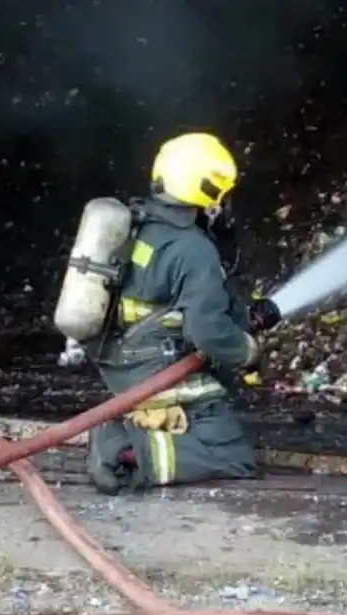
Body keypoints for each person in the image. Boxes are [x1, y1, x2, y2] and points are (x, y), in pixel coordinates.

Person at [85, 132, 282, 494]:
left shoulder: (141, 224)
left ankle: (125, 427)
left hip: (122, 366)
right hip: (158, 374)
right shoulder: (193, 249)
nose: (223, 205)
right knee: (232, 453)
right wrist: (249, 350)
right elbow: (206, 332)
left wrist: (241, 319)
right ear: (206, 192)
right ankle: (128, 452)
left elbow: (168, 306)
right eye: (221, 194)